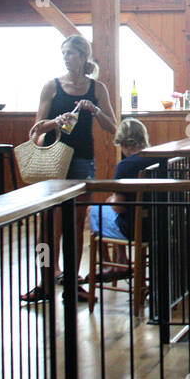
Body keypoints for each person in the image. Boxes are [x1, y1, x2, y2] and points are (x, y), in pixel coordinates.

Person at [21, 35, 117, 303]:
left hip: (83, 161)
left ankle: (73, 282)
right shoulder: (51, 86)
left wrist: (95, 110)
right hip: (53, 161)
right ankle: (45, 282)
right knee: (48, 226)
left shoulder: (97, 89)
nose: (66, 57)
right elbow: (36, 128)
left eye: (71, 53)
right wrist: (56, 121)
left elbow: (113, 127)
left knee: (75, 223)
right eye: (63, 53)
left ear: (83, 57)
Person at [88, 118, 154, 280]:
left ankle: (111, 265)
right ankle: (121, 260)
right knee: (108, 210)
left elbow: (119, 207)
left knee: (94, 210)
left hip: (135, 229)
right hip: (160, 225)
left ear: (123, 143)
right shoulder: (158, 158)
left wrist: (111, 200)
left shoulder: (125, 166)